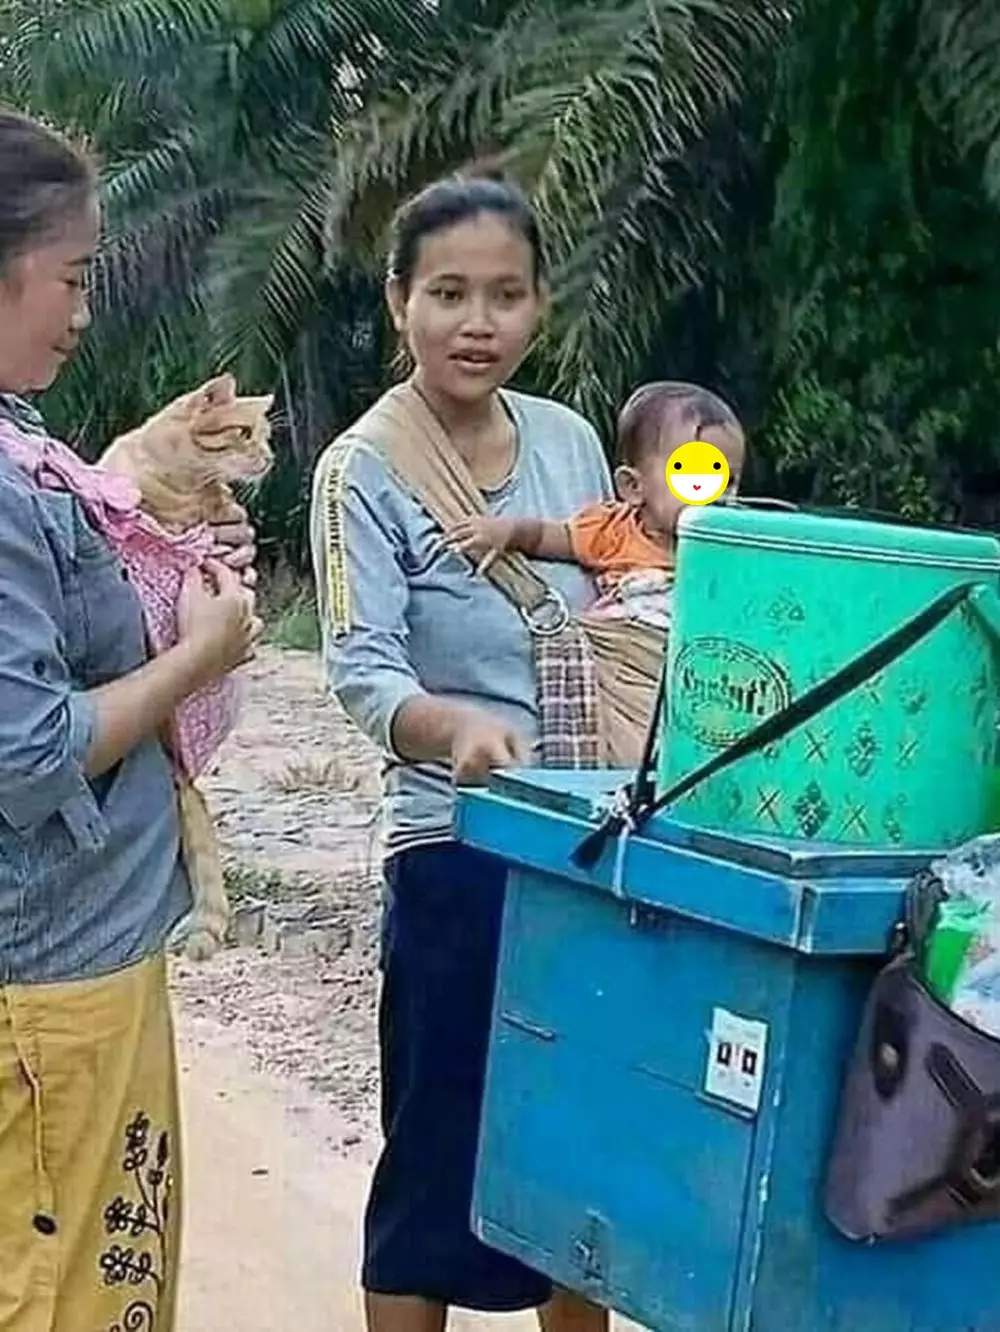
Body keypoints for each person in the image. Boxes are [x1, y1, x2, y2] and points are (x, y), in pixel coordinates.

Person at [310, 176, 612, 1331]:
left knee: (581, 1143)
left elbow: (620, 596)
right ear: (398, 303)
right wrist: (459, 731)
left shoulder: (572, 444)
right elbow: (360, 669)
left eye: (503, 294)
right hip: (456, 847)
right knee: (439, 1143)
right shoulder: (361, 470)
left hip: (587, 841)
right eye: (446, 293)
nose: (475, 322)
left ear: (538, 309)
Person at [0, 109, 260, 1331]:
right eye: (75, 276)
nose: (86, 309)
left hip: (79, 962)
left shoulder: (27, 443)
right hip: (49, 986)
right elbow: (27, 750)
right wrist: (201, 653)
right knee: (64, 1296)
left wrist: (181, 571)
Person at [445, 380, 746, 630]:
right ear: (633, 487)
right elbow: (549, 536)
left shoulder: (733, 549)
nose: (718, 495)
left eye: (729, 481)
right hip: (624, 656)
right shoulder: (614, 531)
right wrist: (507, 532)